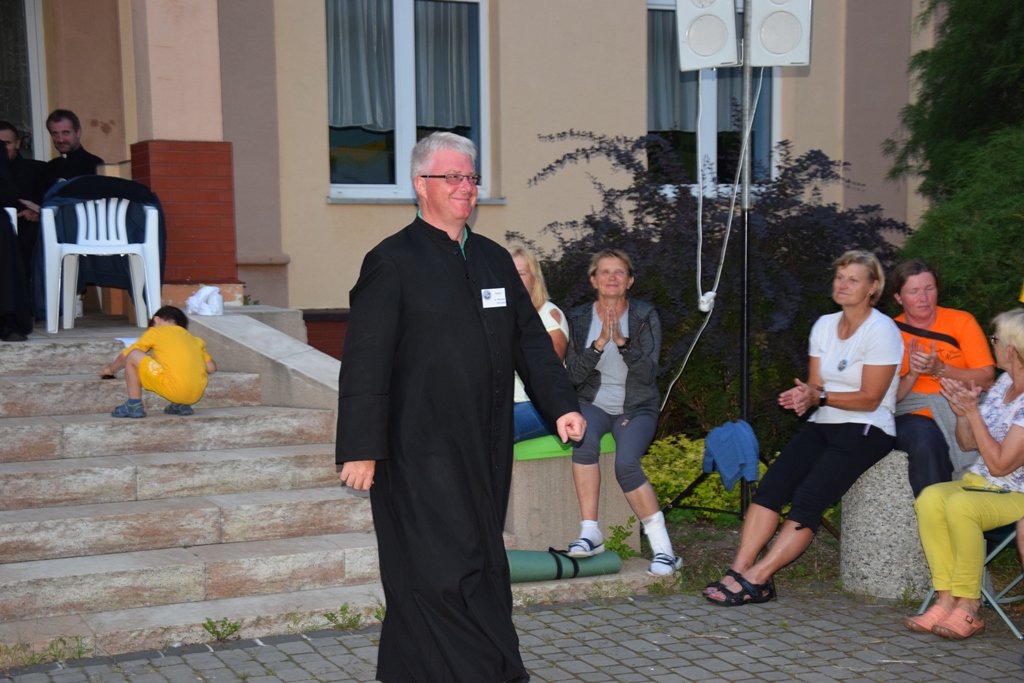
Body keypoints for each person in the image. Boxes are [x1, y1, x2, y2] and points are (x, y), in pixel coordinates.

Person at [335, 132, 585, 683]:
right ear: (420, 185)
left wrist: (561, 405)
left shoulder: (494, 259)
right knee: (441, 568)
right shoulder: (391, 261)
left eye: (471, 176)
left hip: (485, 443)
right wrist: (360, 448)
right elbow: (365, 362)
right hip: (416, 448)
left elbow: (530, 343)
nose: (465, 186)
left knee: (480, 559)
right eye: (452, 176)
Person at [705, 250, 902, 606]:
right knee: (771, 488)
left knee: (808, 500)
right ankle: (738, 569)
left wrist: (818, 397)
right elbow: (816, 384)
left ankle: (759, 579)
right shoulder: (824, 325)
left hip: (868, 428)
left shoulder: (882, 329)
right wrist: (804, 396)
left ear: (873, 287)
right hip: (824, 422)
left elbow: (871, 398)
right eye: (839, 277)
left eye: (853, 279)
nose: (842, 285)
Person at [904, 309, 1024, 640]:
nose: (991, 343)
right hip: (981, 486)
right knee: (930, 498)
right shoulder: (1003, 385)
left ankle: (969, 607)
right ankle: (946, 599)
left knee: (961, 506)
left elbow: (1000, 465)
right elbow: (967, 443)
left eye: (995, 339)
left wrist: (973, 413)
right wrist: (962, 415)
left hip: (1015, 496)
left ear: (1011, 349)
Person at [563, 249, 682, 577]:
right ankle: (590, 533)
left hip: (637, 407)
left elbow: (649, 374)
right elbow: (572, 377)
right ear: (593, 280)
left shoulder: (645, 315)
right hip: (593, 403)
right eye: (604, 272)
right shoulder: (578, 318)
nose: (611, 278)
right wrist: (599, 344)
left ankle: (664, 551)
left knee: (626, 463)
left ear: (630, 281)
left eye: (619, 272)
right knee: (583, 440)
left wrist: (624, 343)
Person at [890, 259, 995, 496]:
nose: (923, 298)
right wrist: (914, 374)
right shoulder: (889, 332)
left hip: (965, 406)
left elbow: (987, 379)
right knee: (925, 440)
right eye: (914, 291)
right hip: (913, 413)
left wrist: (940, 369)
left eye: (929, 288)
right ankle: (934, 511)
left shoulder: (961, 321)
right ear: (898, 297)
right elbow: (884, 395)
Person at [99, 305, 216, 418]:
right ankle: (180, 405)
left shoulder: (156, 332)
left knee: (133, 354)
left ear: (157, 320)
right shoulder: (196, 340)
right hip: (195, 394)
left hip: (173, 388)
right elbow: (211, 368)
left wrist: (111, 369)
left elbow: (126, 356)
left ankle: (133, 405)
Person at [508, 243, 569, 442]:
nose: (513, 279)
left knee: (495, 433)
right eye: (507, 273)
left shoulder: (549, 315)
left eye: (521, 274)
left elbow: (547, 368)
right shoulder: (495, 317)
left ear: (534, 280)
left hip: (536, 404)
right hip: (501, 402)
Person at [0, 121, 46, 278]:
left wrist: (38, 212)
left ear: (18, 143)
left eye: (7, 143)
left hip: (31, 231)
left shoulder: (38, 169)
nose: (3, 149)